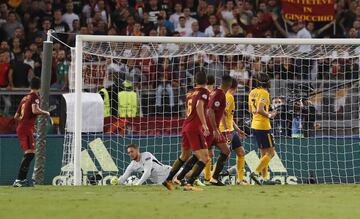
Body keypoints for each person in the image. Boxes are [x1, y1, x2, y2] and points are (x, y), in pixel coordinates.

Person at [163, 71, 210, 191]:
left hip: (186, 125)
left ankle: (168, 180)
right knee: (204, 158)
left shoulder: (190, 92)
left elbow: (188, 109)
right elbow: (199, 106)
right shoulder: (204, 92)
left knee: (185, 155)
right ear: (206, 82)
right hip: (194, 127)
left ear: (195, 81)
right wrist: (204, 124)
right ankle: (190, 184)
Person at [13, 77, 50, 187]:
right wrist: (45, 112)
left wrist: (25, 121)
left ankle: (21, 180)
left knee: (29, 153)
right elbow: (35, 110)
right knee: (30, 154)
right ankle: (20, 180)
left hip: (21, 127)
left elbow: (16, 116)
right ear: (39, 86)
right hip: (26, 128)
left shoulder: (25, 98)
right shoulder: (35, 97)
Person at [248, 73, 277, 185]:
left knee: (263, 153)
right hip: (263, 126)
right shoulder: (264, 92)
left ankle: (265, 178)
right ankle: (255, 172)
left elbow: (251, 110)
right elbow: (260, 109)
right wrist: (269, 115)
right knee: (271, 153)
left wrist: (267, 112)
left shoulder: (252, 92)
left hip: (254, 124)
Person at [218, 79, 248, 185]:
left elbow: (229, 117)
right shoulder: (228, 96)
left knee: (241, 153)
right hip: (226, 131)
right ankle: (211, 176)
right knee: (226, 156)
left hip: (231, 130)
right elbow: (221, 113)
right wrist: (226, 130)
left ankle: (240, 180)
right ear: (234, 87)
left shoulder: (229, 96)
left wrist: (238, 129)